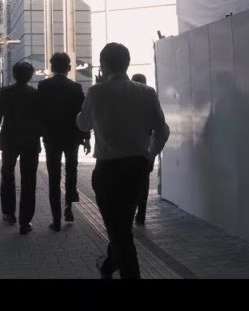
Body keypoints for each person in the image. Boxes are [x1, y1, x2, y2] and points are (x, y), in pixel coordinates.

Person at [77, 43, 169, 280]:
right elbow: (162, 129)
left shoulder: (97, 93)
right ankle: (108, 265)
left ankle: (127, 273)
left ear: (104, 64)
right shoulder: (146, 92)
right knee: (122, 226)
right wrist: (150, 155)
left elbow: (82, 124)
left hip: (108, 170)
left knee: (119, 232)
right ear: (127, 63)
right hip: (137, 168)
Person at [0, 61, 43, 235]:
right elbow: (41, 119)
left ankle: (9, 213)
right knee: (29, 181)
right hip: (30, 141)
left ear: (14, 74)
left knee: (7, 175)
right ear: (30, 75)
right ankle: (25, 222)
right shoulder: (35, 94)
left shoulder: (5, 92)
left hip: (9, 139)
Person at [37, 52, 88, 231]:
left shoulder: (43, 86)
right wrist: (86, 138)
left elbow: (39, 113)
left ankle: (56, 219)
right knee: (71, 171)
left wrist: (40, 134)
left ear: (51, 67)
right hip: (72, 137)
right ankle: (69, 207)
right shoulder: (76, 87)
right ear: (69, 68)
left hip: (51, 137)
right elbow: (83, 114)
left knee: (53, 176)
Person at [130, 74, 153, 225]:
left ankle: (132, 211)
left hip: (130, 150)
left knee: (131, 184)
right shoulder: (150, 97)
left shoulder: (127, 101)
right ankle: (141, 213)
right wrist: (152, 153)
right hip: (146, 149)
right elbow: (159, 127)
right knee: (144, 182)